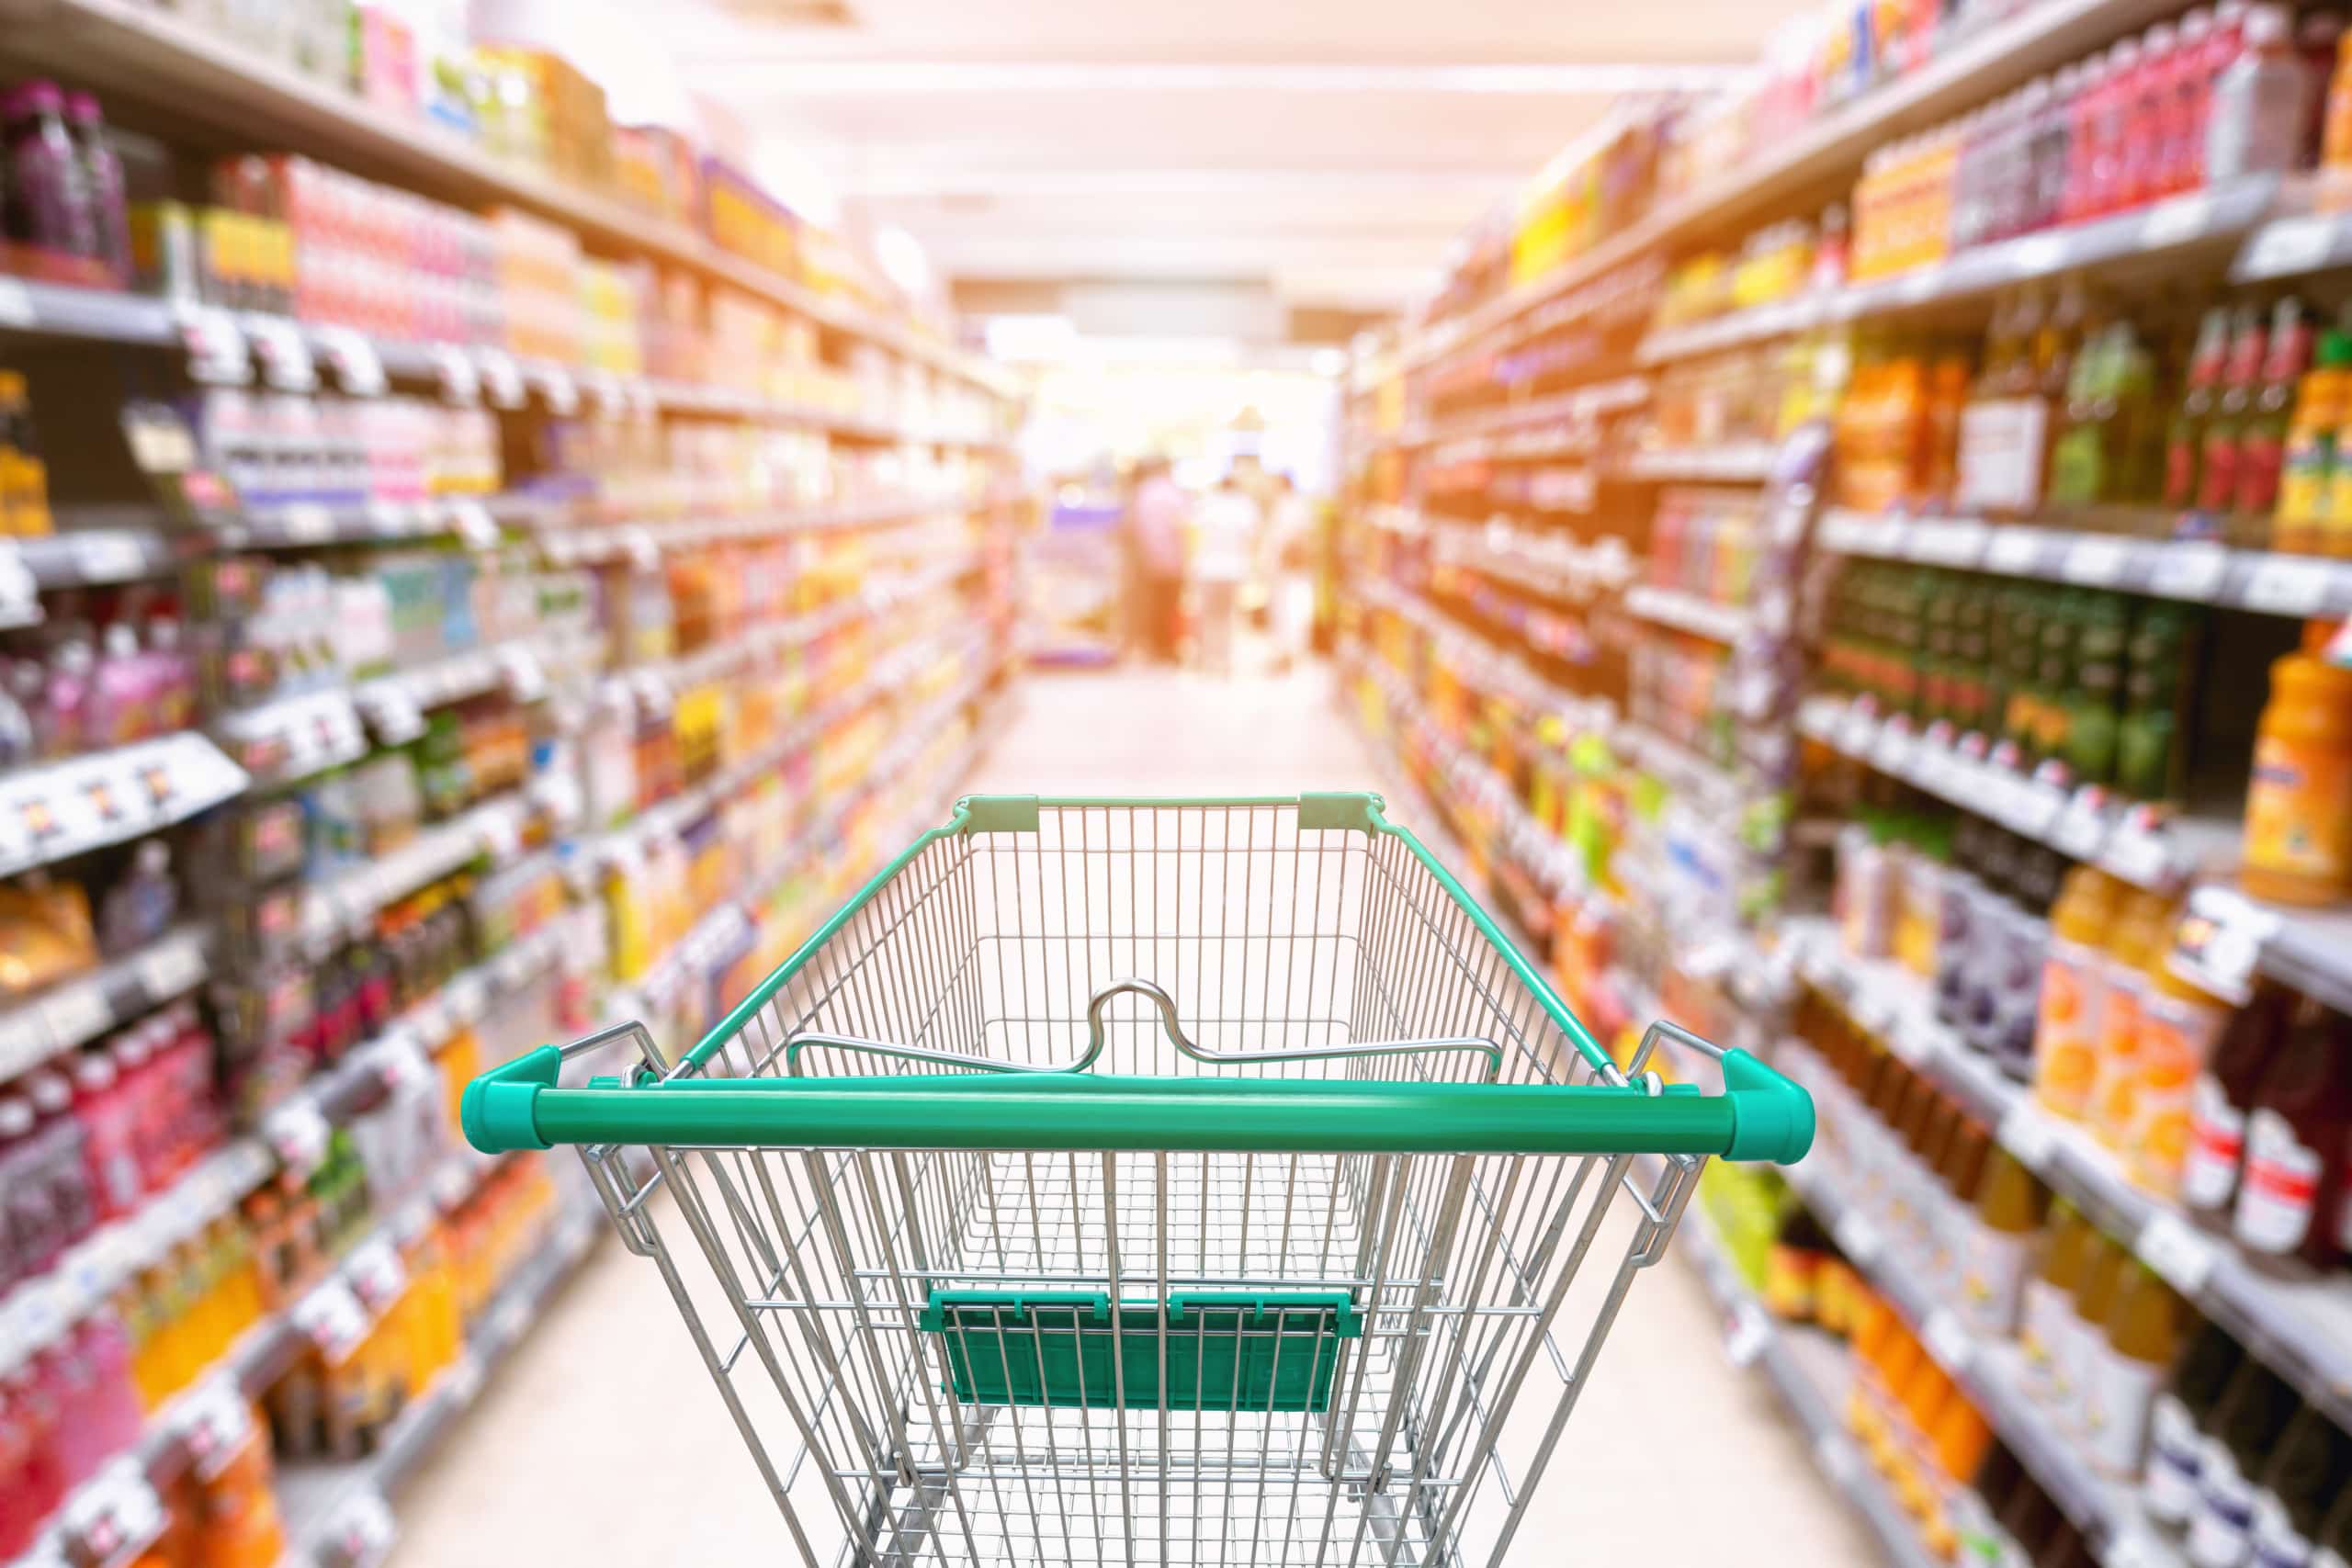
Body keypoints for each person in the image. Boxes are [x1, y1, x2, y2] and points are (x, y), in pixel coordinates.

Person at [1190, 472, 1261, 676]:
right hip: (1234, 568)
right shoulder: (1245, 506)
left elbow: (1194, 535)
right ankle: (1225, 661)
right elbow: (1252, 538)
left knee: (1209, 616)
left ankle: (1208, 661)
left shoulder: (1207, 504)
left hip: (1208, 568)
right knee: (1228, 617)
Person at [1126, 457, 1188, 662]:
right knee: (1170, 606)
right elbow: (1183, 528)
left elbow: (1133, 528)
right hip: (1173, 561)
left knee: (1152, 606)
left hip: (1147, 560)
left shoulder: (1143, 494)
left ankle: (1154, 646)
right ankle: (1168, 647)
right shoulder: (1172, 494)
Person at [1264, 474, 1317, 672]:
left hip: (1287, 568)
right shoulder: (1299, 506)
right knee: (1293, 610)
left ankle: (1286, 654)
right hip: (1292, 568)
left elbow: (1281, 539)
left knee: (1287, 612)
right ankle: (1288, 653)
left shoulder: (1287, 506)